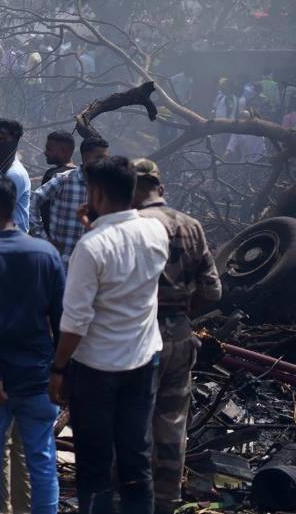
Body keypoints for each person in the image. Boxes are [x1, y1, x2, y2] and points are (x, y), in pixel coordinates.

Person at [49, 157, 169, 514]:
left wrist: (58, 369)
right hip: (144, 362)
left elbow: (75, 322)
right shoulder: (156, 231)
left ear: (97, 192)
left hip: (97, 371)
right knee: (136, 458)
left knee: (96, 464)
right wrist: (96, 228)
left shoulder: (92, 247)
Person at [0, 175, 65, 514]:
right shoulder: (46, 253)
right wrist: (59, 371)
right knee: (42, 461)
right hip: (37, 378)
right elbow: (63, 318)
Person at [132, 159, 222, 514]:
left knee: (132, 422)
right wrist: (183, 314)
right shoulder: (191, 226)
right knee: (171, 427)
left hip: (137, 339)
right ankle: (166, 502)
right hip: (180, 337)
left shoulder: (129, 227)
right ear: (161, 188)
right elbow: (212, 291)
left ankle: (130, 500)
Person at [31, 137, 109, 267]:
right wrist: (42, 238)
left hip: (89, 264)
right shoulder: (64, 180)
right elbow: (34, 201)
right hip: (59, 262)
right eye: (99, 158)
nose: (103, 162)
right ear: (85, 157)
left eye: (105, 158)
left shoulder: (105, 186)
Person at [0, 119, 31, 231]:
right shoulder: (2, 167)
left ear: (15, 141)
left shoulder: (14, 174)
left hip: (13, 239)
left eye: (2, 139)